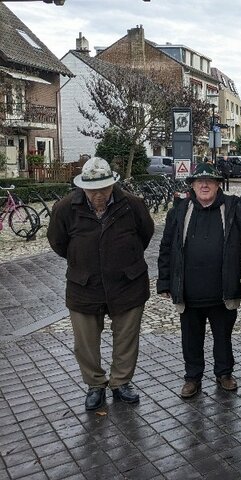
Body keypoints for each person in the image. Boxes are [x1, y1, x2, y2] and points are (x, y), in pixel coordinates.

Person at [47, 157, 154, 410]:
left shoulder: (132, 205)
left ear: (112, 185)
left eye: (104, 190)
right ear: (83, 187)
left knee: (127, 337)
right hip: (84, 285)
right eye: (93, 191)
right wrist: (83, 262)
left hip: (128, 283)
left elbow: (145, 234)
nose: (98, 196)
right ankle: (95, 384)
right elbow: (58, 242)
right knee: (85, 342)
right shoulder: (65, 208)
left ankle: (121, 382)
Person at [157, 162, 241, 398]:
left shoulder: (233, 209)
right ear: (193, 186)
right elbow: (167, 247)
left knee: (223, 337)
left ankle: (224, 373)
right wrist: (165, 282)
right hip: (189, 291)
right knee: (191, 339)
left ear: (219, 185)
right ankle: (192, 377)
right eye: (200, 181)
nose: (205, 185)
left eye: (210, 181)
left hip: (223, 289)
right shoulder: (179, 211)